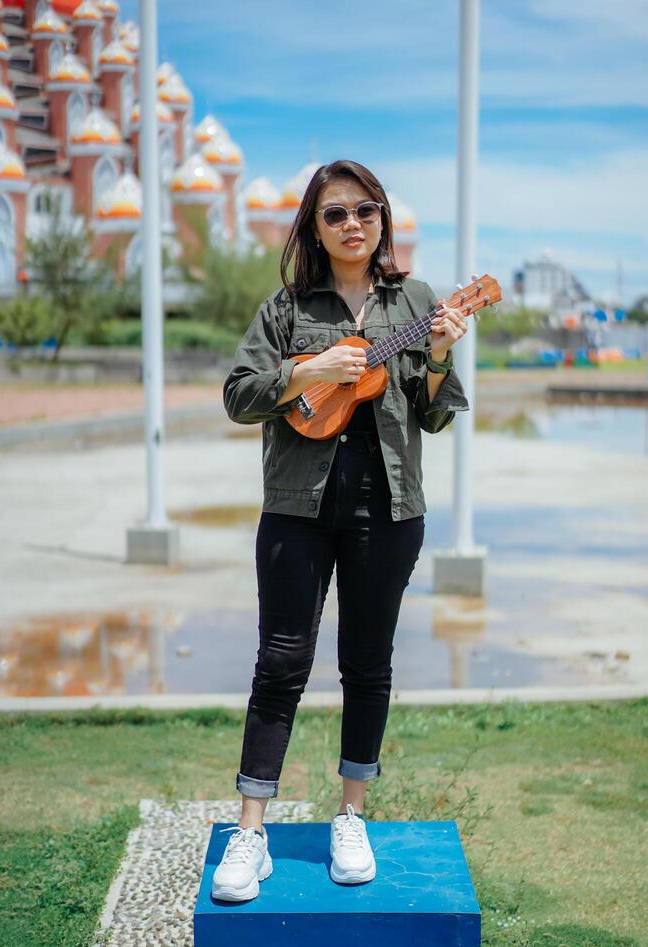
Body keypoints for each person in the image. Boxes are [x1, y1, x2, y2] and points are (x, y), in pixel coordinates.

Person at [214, 160, 470, 902]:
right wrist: (308, 371)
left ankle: (351, 817)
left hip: (389, 512)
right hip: (297, 511)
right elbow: (239, 395)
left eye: (366, 210)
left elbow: (435, 412)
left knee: (368, 664)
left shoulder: (417, 303)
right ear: (314, 228)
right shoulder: (287, 308)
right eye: (335, 214)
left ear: (383, 220)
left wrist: (442, 352)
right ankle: (250, 833)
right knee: (280, 663)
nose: (352, 223)